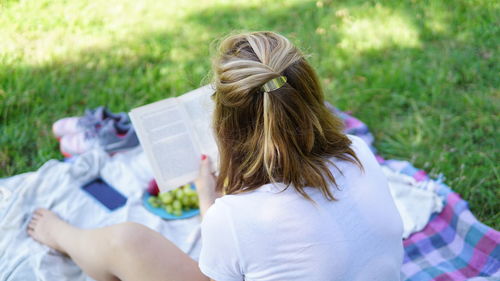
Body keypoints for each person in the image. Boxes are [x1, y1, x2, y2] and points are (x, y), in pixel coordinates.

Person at [28, 31, 404, 281]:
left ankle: (60, 235)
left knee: (128, 241)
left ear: (224, 126)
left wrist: (210, 201)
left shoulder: (236, 219)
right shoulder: (358, 152)